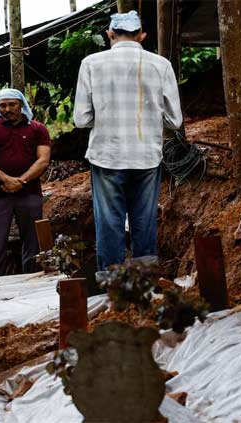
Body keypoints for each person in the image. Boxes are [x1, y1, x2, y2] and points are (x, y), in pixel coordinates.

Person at [73, 10, 183, 271]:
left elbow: (81, 118)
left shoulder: (91, 63)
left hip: (107, 155)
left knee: (109, 223)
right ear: (142, 35)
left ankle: (113, 289)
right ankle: (143, 286)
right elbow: (175, 120)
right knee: (144, 222)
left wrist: (105, 119)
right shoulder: (161, 64)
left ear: (110, 34)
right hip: (146, 156)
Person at [0, 88, 51, 277]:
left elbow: (43, 159)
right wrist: (7, 180)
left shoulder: (38, 129)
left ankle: (34, 281)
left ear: (21, 105)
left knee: (33, 242)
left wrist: (22, 180)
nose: (7, 109)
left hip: (30, 193)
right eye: (2, 105)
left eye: (12, 104)